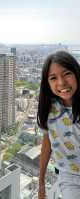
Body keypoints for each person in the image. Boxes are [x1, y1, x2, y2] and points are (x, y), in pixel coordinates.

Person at [37, 51, 80, 199]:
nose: (61, 83)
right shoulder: (48, 108)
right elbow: (46, 146)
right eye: (53, 78)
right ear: (47, 84)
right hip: (69, 176)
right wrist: (41, 184)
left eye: (67, 73)